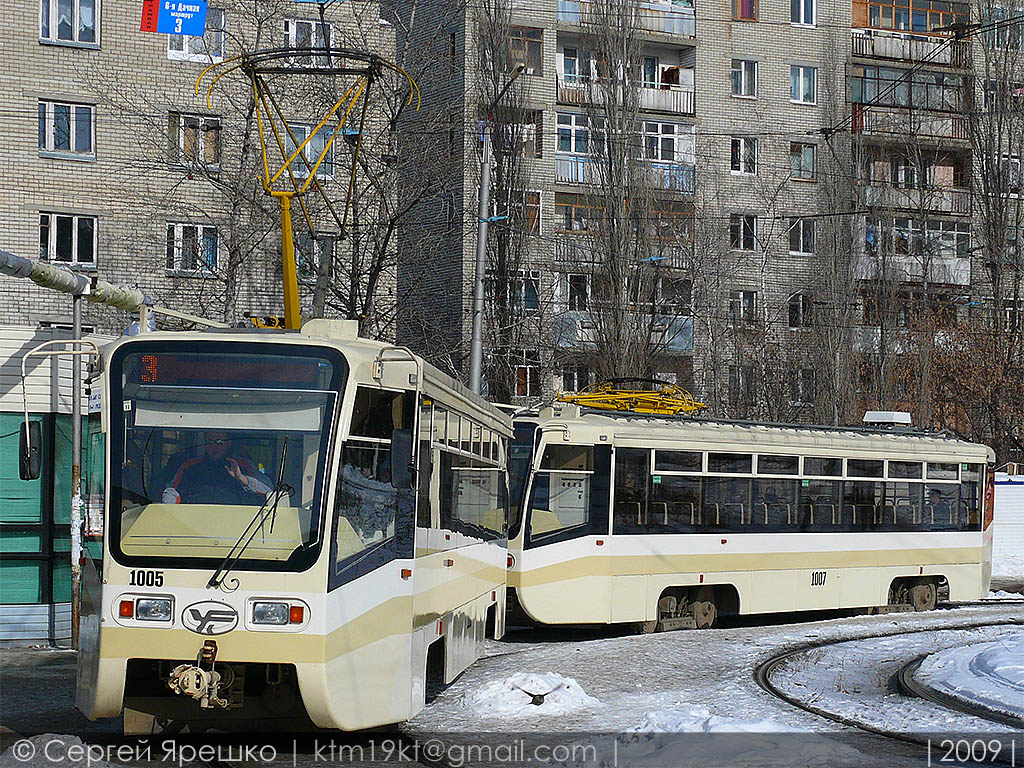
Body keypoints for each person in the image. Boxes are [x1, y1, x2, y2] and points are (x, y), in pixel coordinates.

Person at [162, 431, 272, 505]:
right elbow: (172, 491)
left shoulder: (243, 465)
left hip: (237, 523)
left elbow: (268, 490)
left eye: (220, 442)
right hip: (194, 522)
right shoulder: (189, 466)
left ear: (229, 443)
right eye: (210, 441)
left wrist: (242, 478)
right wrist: (166, 511)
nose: (214, 446)